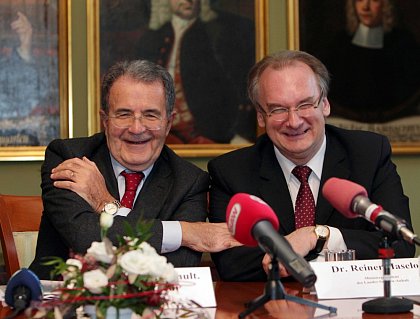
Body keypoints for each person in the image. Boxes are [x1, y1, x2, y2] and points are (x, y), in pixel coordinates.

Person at [208, 50, 415, 282]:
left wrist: (317, 236)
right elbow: (233, 263)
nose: (294, 121)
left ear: (324, 104)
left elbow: (401, 245)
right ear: (260, 117)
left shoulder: (368, 154)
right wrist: (304, 252)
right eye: (278, 109)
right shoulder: (231, 172)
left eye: (305, 104)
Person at [29, 59, 239, 279]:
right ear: (105, 120)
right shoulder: (69, 156)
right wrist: (184, 233)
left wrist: (106, 204)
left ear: (169, 123)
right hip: (61, 305)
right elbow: (83, 238)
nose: (137, 128)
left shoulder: (189, 182)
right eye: (124, 114)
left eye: (150, 114)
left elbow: (174, 270)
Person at [137, 0, 255, 144]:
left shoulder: (216, 35)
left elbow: (235, 87)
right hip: (160, 131)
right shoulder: (152, 39)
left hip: (206, 131)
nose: (189, 1)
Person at [320, 0, 420, 123]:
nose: (365, 7)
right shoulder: (340, 44)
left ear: (386, 6)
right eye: (359, 0)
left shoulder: (403, 43)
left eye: (374, 0)